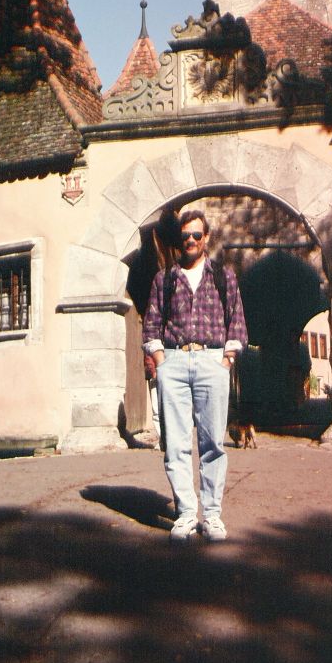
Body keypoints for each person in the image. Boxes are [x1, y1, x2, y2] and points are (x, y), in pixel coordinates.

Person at [142, 208, 248, 542]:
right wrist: (161, 360)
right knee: (175, 442)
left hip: (211, 361)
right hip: (174, 362)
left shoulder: (223, 275)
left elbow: (237, 320)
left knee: (212, 443)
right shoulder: (166, 278)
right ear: (180, 240)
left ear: (206, 239)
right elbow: (151, 322)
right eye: (185, 236)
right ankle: (186, 514)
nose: (190, 240)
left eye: (197, 235)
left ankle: (212, 515)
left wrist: (227, 361)